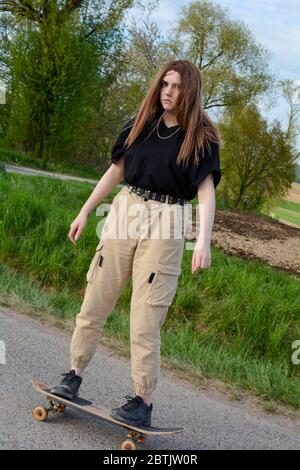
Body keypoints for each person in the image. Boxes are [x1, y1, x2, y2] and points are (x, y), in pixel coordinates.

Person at [51, 59, 222, 427]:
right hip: (126, 209)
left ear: (189, 90)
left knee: (146, 315)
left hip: (168, 219)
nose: (168, 92)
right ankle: (73, 375)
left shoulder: (201, 138)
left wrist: (203, 241)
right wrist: (85, 211)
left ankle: (142, 400)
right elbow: (116, 170)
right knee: (96, 296)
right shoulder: (141, 123)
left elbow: (206, 194)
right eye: (164, 84)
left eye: (176, 87)